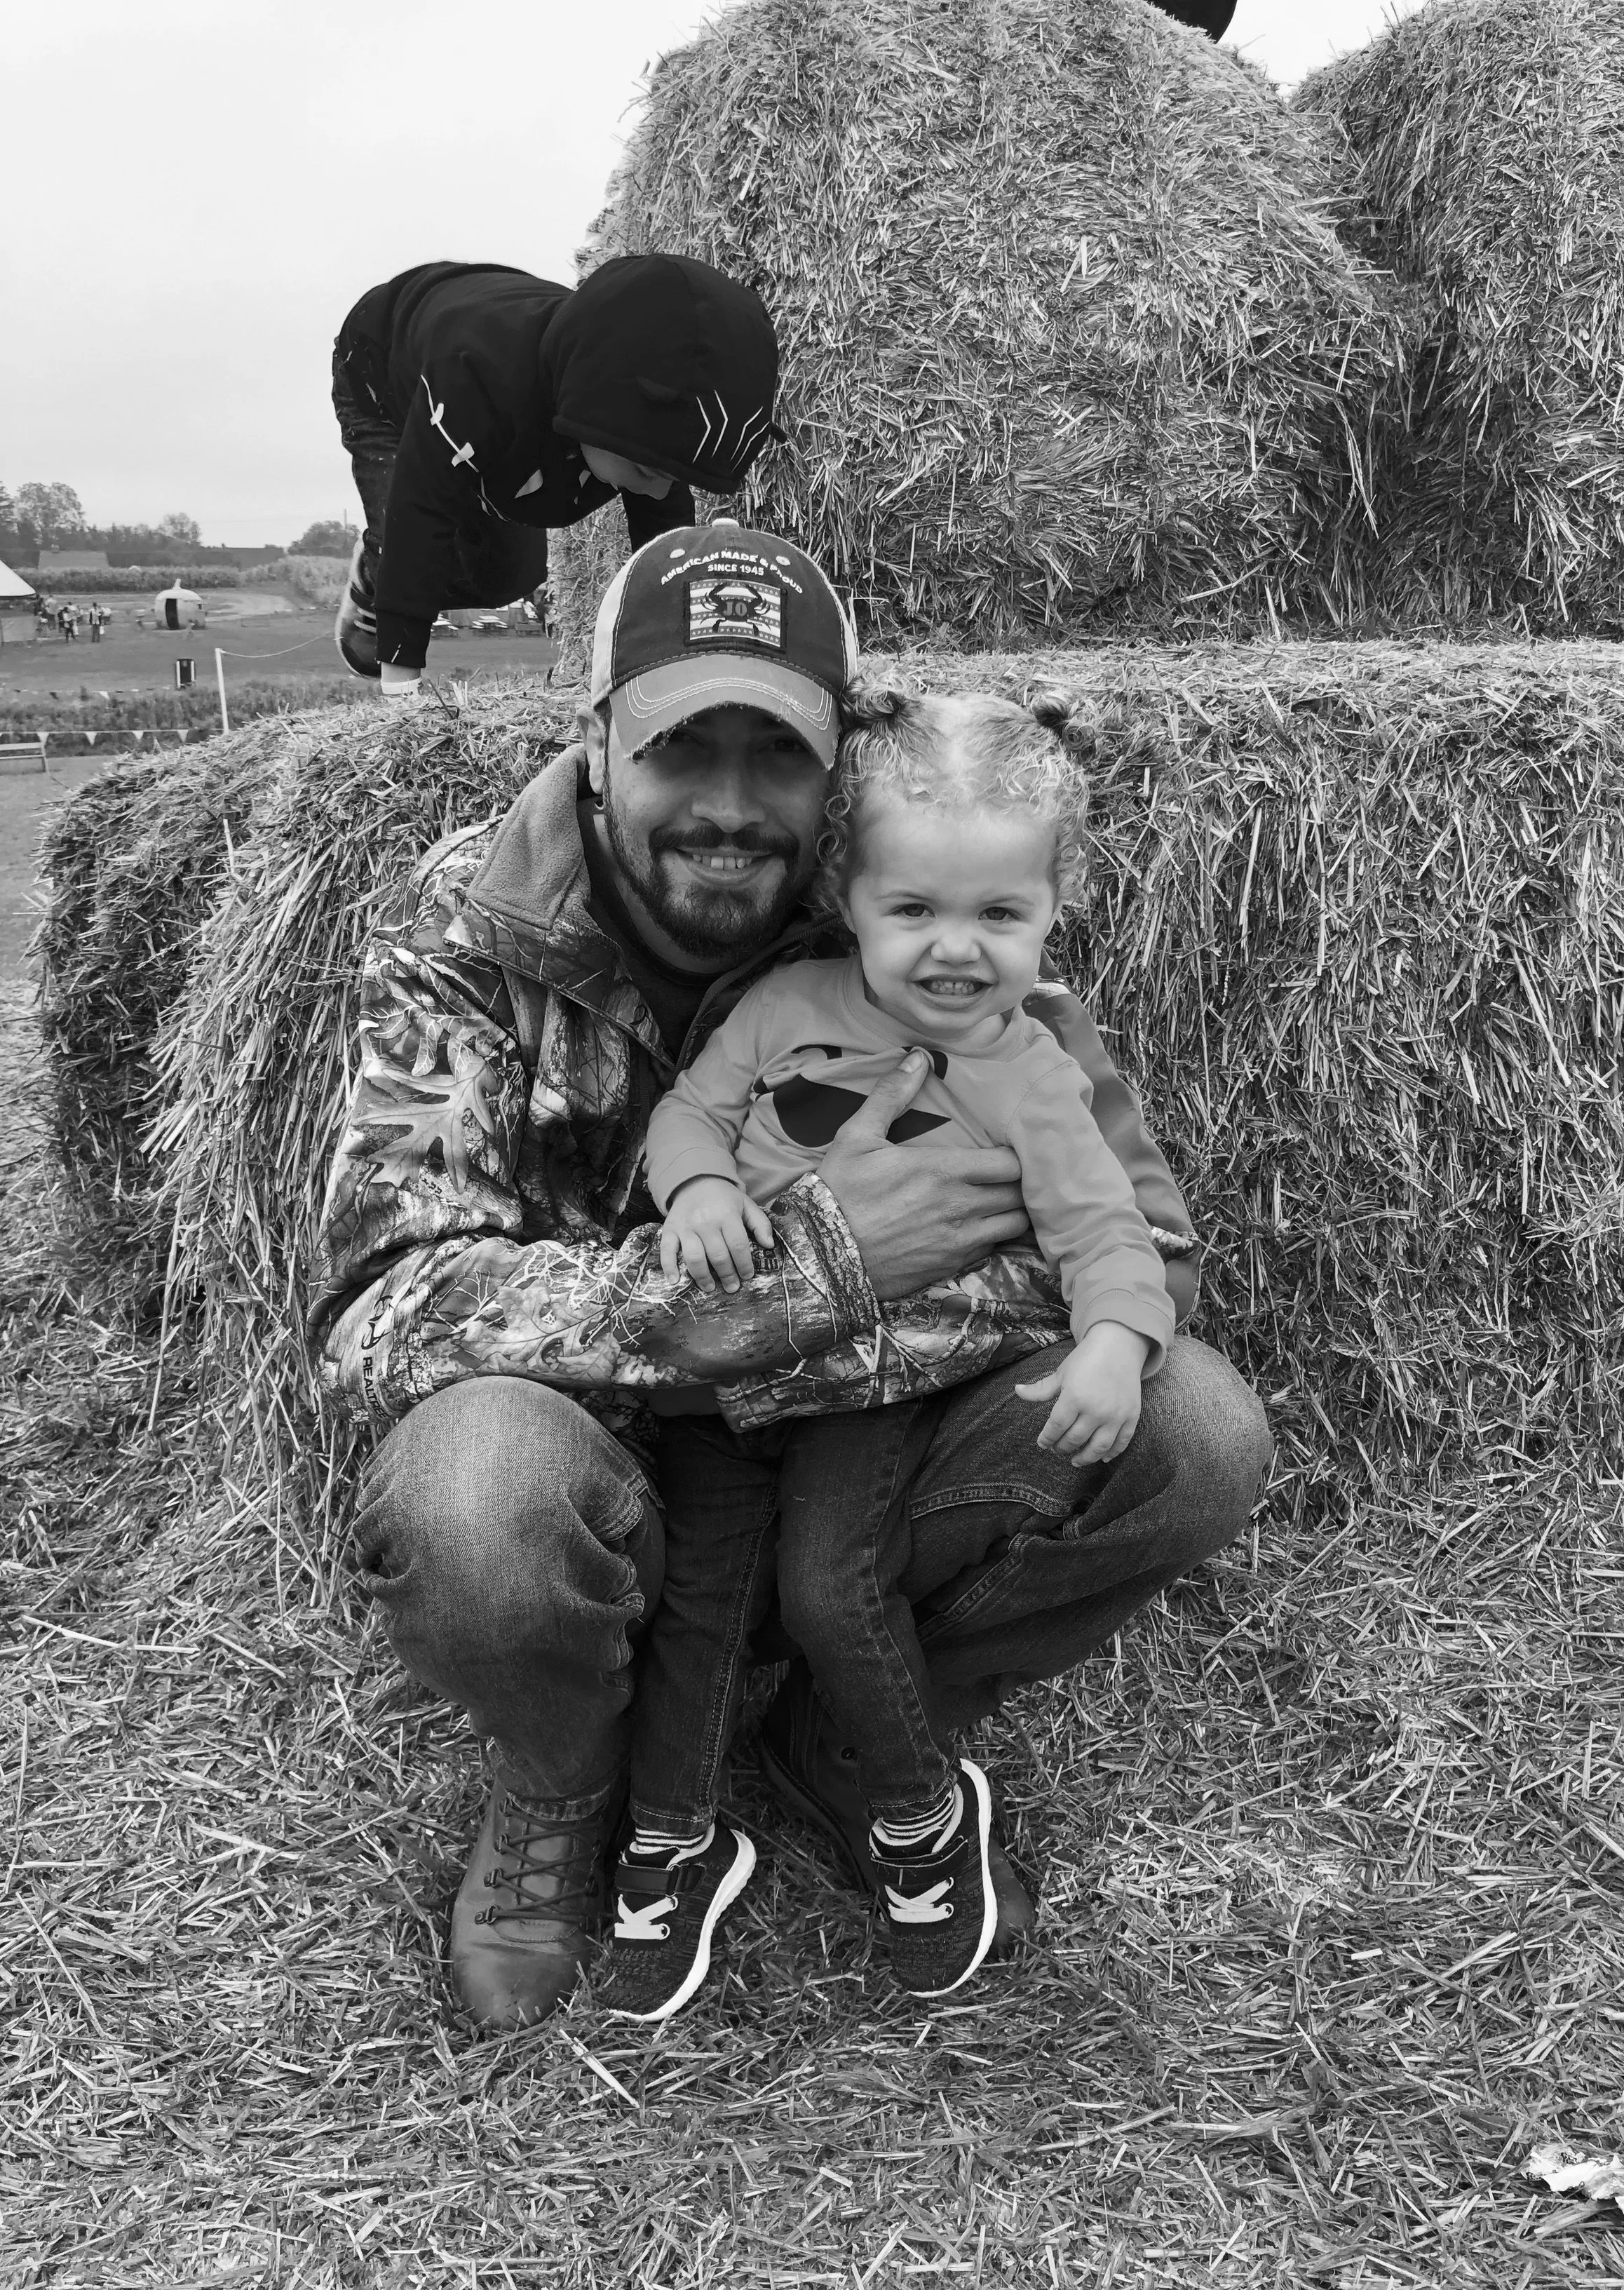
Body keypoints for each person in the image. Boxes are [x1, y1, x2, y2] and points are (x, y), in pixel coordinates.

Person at [311, 517, 1272, 2033]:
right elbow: (381, 1312)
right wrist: (799, 1285)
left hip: (850, 1463)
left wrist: (852, 1313)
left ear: (839, 774)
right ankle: (569, 1786)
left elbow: (1139, 1240)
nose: (731, 806)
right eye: (686, 748)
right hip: (603, 1474)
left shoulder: (910, 901)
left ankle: (856, 1726)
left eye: (779, 759)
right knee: (470, 1492)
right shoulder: (465, 938)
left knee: (1193, 1430)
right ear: (596, 737)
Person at [597, 691, 1182, 2020]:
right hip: (730, 1376)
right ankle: (673, 1843)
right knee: (695, 1599)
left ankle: (918, 1807)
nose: (956, 949)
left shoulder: (1032, 1075)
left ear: (1053, 913)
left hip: (869, 1391)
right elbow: (691, 1111)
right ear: (847, 898)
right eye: (914, 909)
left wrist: (1113, 1340)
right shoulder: (782, 1001)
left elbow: (1110, 1228)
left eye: (1000, 915)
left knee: (828, 1586)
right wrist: (695, 1194)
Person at [328, 255, 782, 697]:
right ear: (596, 406)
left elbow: (665, 547)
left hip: (504, 390)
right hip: (381, 374)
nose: (661, 488)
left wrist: (681, 659)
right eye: (647, 470)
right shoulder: (475, 376)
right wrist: (402, 693)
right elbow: (419, 513)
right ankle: (376, 573)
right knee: (404, 542)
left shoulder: (640, 413)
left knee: (511, 576)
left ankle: (415, 554)